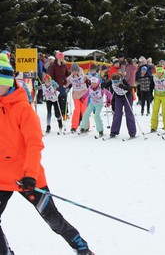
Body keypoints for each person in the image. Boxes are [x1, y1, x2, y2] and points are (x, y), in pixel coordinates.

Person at [0, 53, 94, 255]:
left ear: (7, 82)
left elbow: (34, 145)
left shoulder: (23, 109)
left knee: (52, 218)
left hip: (28, 176)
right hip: (2, 176)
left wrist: (30, 175)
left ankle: (81, 248)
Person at [106, 73, 137, 138]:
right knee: (117, 113)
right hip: (118, 96)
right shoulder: (112, 82)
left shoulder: (123, 81)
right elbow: (105, 85)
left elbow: (129, 88)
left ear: (119, 80)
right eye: (114, 81)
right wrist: (103, 85)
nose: (115, 83)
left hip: (127, 96)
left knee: (128, 113)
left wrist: (124, 87)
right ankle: (114, 131)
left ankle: (132, 132)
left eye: (116, 81)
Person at [64, 63, 88, 133]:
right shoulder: (71, 76)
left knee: (84, 110)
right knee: (77, 110)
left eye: (75, 71)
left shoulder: (82, 75)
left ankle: (85, 126)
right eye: (72, 71)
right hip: (76, 95)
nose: (74, 72)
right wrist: (65, 85)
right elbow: (66, 83)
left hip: (84, 94)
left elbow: (89, 79)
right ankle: (74, 126)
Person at [150, 65, 165, 133]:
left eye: (160, 72)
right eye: (158, 72)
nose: (159, 73)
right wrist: (150, 95)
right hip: (157, 96)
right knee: (155, 111)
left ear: (162, 71)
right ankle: (153, 127)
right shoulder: (154, 77)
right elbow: (151, 86)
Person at [49, 51, 70, 120]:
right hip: (56, 85)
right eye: (61, 58)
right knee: (58, 100)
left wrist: (67, 80)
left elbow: (67, 73)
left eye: (63, 58)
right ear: (58, 58)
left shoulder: (64, 65)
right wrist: (52, 83)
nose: (62, 59)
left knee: (64, 100)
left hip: (63, 84)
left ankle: (65, 114)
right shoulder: (53, 65)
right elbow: (51, 76)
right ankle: (59, 114)